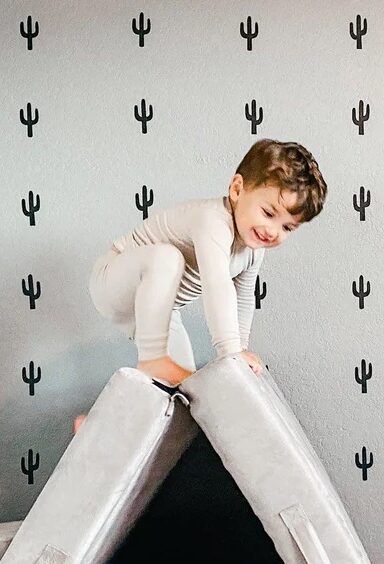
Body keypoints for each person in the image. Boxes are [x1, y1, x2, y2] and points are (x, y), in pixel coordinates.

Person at [73, 138, 328, 433]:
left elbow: (242, 298)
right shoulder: (213, 221)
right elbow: (217, 286)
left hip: (154, 312)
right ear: (236, 189)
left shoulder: (252, 251)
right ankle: (154, 358)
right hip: (114, 279)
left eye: (287, 227)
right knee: (167, 258)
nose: (273, 231)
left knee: (182, 390)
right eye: (269, 213)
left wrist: (239, 353)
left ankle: (98, 428)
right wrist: (230, 351)